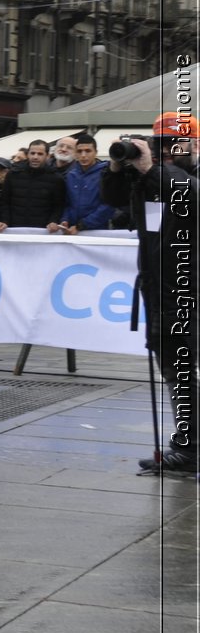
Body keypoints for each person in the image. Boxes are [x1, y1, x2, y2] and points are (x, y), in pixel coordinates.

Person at [101, 112, 199, 473]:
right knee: (177, 368)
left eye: (176, 145)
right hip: (162, 290)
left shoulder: (176, 177)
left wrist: (152, 169)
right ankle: (189, 447)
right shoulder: (153, 177)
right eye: (161, 146)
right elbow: (111, 199)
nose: (168, 154)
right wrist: (116, 165)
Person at [0, 140, 67, 232]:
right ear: (28, 155)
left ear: (47, 156)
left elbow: (58, 206)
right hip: (14, 228)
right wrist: (4, 220)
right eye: (32, 153)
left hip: (43, 230)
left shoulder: (56, 178)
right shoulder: (13, 174)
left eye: (40, 154)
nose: (35, 157)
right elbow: (5, 201)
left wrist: (53, 221)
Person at [61, 132, 115, 233]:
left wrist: (82, 225)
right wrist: (65, 220)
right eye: (80, 151)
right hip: (72, 230)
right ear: (75, 153)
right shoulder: (70, 175)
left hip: (97, 231)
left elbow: (108, 206)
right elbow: (67, 203)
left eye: (88, 151)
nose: (83, 155)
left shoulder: (105, 174)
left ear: (95, 152)